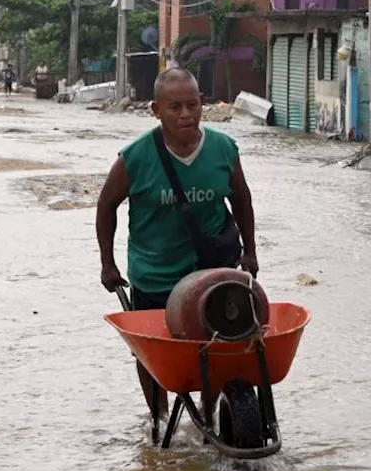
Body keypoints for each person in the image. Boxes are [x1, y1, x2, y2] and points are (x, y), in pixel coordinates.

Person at [95, 67, 258, 416]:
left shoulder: (223, 149)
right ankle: (159, 417)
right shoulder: (135, 157)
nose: (186, 115)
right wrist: (107, 263)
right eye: (175, 107)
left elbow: (241, 200)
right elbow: (107, 205)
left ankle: (211, 410)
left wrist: (251, 251)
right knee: (151, 353)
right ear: (156, 110)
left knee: (220, 345)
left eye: (193, 105)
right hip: (155, 274)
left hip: (211, 274)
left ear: (202, 104)